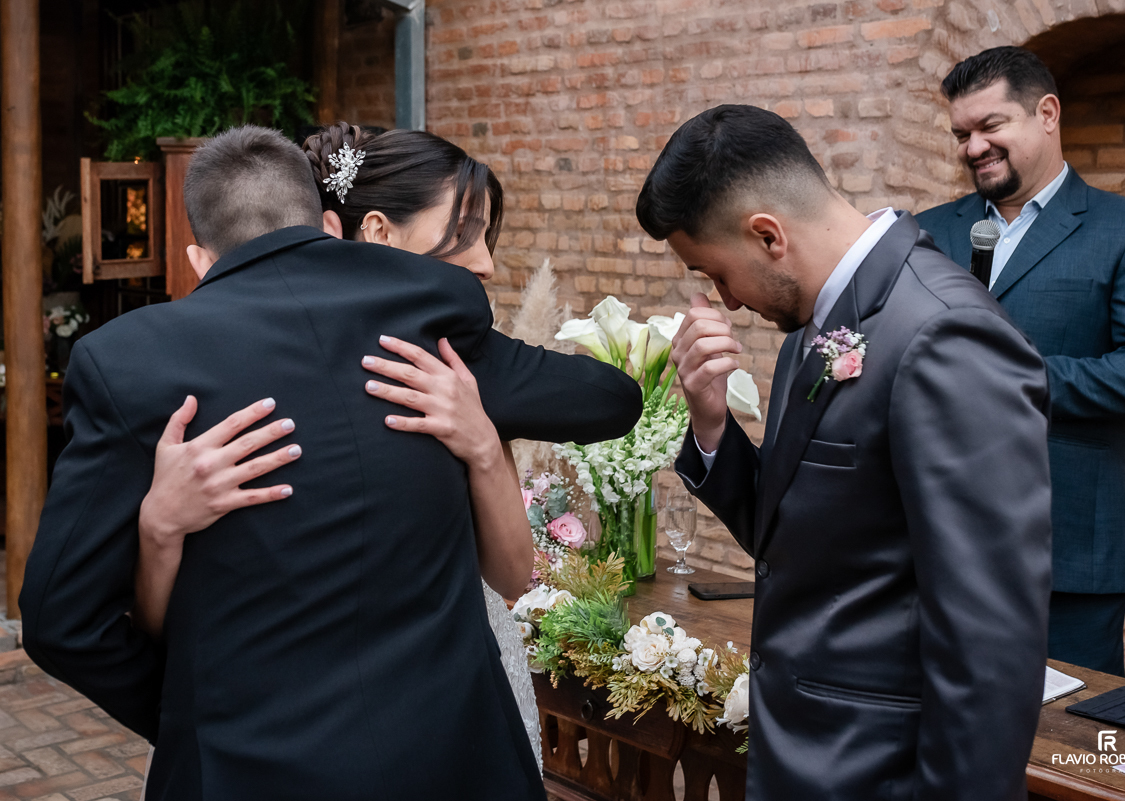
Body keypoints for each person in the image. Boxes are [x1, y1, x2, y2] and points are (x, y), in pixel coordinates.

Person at [20, 125, 642, 801]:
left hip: (246, 769)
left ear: (200, 258)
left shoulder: (131, 363)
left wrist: (191, 715)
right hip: (453, 759)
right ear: (326, 223)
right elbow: (610, 401)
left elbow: (59, 620)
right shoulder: (431, 314)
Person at [639, 104, 1052, 801]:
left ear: (767, 234)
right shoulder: (817, 327)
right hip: (805, 756)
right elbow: (799, 539)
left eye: (715, 272)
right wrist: (711, 426)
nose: (726, 302)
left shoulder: (946, 334)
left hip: (880, 772)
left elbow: (990, 646)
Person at [131, 123, 549, 772]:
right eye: (465, 235)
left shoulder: (455, 375)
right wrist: (158, 528)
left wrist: (484, 447)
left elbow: (511, 574)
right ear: (378, 233)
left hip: (454, 705)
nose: (486, 262)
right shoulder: (235, 387)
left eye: (487, 237)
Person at [916, 47, 1125, 677]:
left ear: (1047, 113)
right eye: (962, 134)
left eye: (991, 127)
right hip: (930, 545)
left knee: (1063, 751)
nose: (973, 147)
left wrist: (1015, 377)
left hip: (1067, 551)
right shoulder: (923, 233)